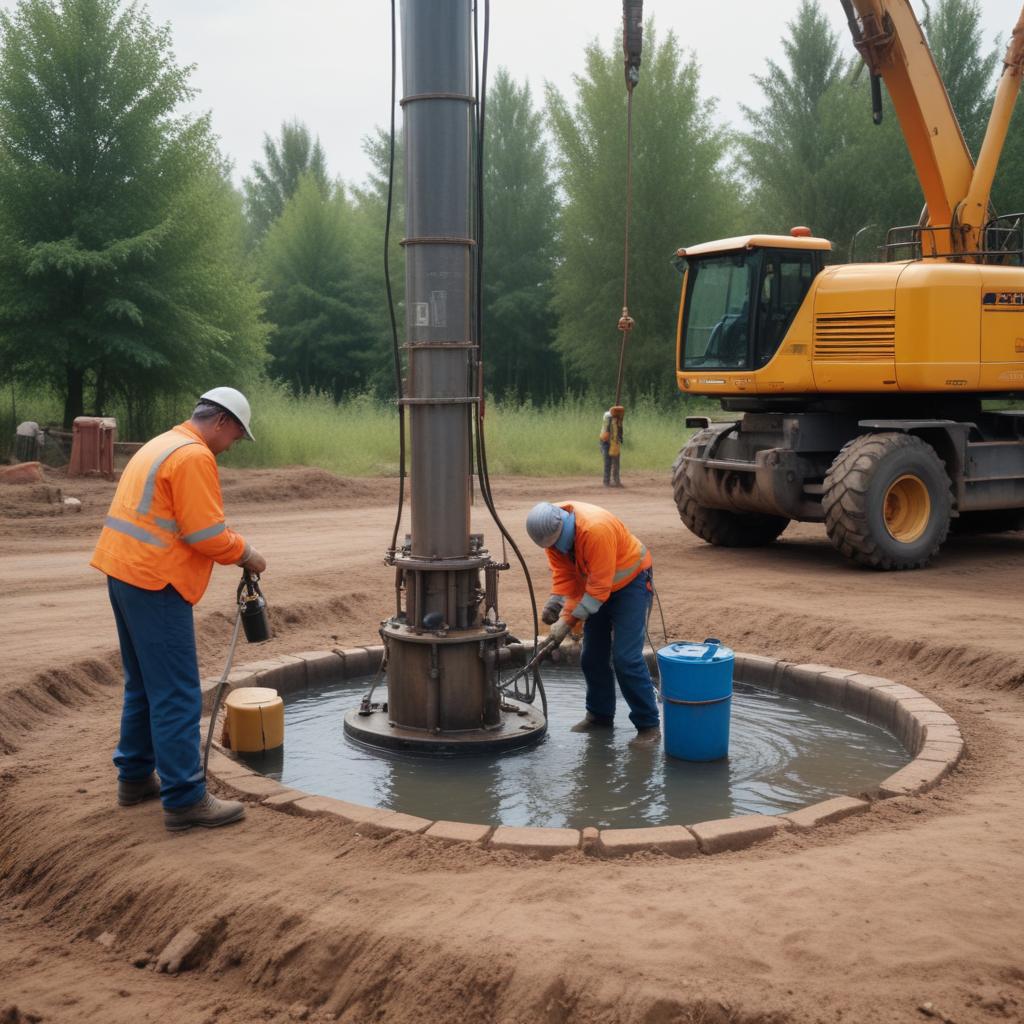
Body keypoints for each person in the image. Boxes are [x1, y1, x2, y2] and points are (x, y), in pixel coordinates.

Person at [91, 387, 267, 832]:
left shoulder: (160, 443)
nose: (230, 448)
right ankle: (186, 799)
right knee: (177, 693)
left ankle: (134, 779)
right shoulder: (193, 456)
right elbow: (206, 533)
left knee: (145, 687)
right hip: (157, 582)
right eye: (235, 437)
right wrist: (248, 554)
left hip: (125, 574)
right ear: (222, 422)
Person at [526, 500, 660, 747]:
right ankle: (599, 716)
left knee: (626, 658)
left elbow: (598, 591)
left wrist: (566, 621)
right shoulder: (551, 534)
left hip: (631, 583)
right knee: (591, 656)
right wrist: (556, 602)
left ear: (561, 532)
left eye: (555, 545)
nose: (554, 549)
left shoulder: (595, 531)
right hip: (597, 585)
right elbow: (565, 575)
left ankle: (648, 726)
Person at [599, 405, 625, 487]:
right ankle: (606, 482)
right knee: (608, 462)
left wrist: (619, 439)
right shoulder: (607, 419)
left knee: (616, 461)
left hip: (614, 442)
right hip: (605, 443)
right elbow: (606, 434)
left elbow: (620, 432)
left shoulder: (618, 422)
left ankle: (616, 481)